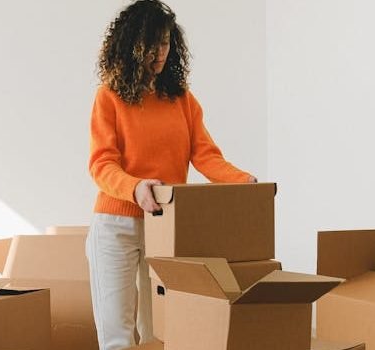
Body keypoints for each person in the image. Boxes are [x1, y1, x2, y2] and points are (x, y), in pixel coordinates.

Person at [85, 1, 257, 349]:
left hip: (164, 227)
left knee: (160, 334)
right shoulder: (109, 97)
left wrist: (244, 183)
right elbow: (101, 164)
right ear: (132, 45)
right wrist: (135, 189)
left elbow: (206, 155)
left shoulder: (182, 100)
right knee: (117, 337)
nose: (160, 52)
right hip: (115, 227)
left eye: (165, 43)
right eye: (151, 44)